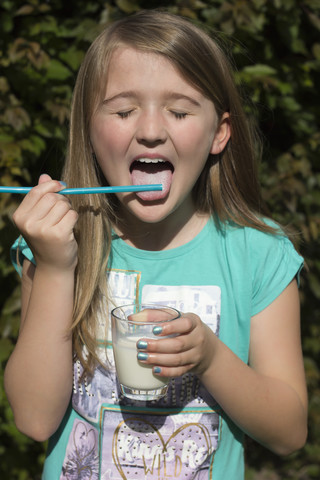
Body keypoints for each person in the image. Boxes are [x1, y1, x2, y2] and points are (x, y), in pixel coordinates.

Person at [4, 9, 308, 480]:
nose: (149, 129)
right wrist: (57, 268)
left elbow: (289, 433)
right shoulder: (56, 243)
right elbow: (33, 419)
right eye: (124, 111)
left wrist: (208, 357)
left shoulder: (259, 256)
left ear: (219, 133)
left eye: (180, 111)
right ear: (89, 128)